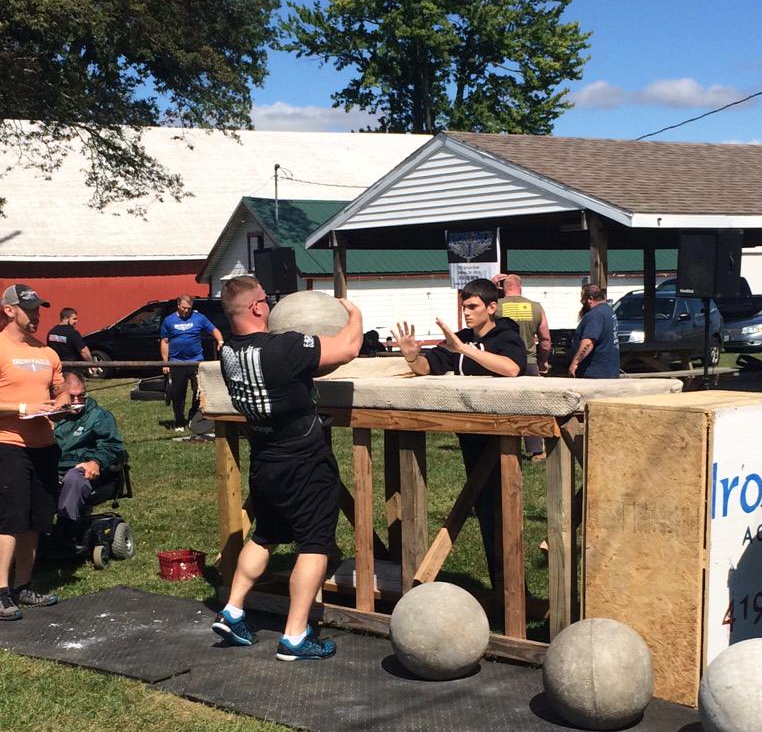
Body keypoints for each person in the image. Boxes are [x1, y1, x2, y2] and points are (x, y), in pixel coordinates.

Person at [212, 276, 363, 660]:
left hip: (265, 458)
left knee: (265, 536)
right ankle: (295, 636)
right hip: (303, 462)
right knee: (314, 543)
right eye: (266, 298)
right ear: (258, 308)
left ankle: (232, 610)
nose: (271, 304)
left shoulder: (228, 352)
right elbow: (346, 349)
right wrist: (353, 313)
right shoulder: (284, 347)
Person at [392, 278, 527, 585]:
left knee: (502, 509)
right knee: (486, 508)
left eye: (473, 306)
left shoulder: (505, 335)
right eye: (464, 306)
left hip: (502, 431)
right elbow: (430, 366)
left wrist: (464, 349)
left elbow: (511, 368)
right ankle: (502, 587)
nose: (466, 312)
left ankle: (513, 589)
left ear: (491, 308)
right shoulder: (461, 338)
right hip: (470, 430)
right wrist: (412, 356)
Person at [0, 283, 69, 621]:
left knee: (35, 520)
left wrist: (63, 404)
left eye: (39, 310)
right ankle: (0, 593)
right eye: (30, 310)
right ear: (9, 310)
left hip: (45, 446)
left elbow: (60, 393)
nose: (36, 316)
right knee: (9, 519)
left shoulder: (47, 353)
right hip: (8, 445)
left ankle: (23, 585)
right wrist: (22, 406)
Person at [53, 371, 125, 550]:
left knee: (74, 478)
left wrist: (96, 462)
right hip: (53, 469)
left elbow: (112, 446)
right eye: (72, 396)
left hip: (86, 470)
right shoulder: (52, 417)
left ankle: (65, 533)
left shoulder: (98, 416)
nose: (77, 401)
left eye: (81, 396)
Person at [493, 273, 552, 461]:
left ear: (503, 288)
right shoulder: (536, 307)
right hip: (530, 362)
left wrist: (493, 287)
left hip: (504, 363)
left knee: (503, 405)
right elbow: (545, 339)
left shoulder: (496, 306)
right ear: (521, 288)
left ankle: (504, 446)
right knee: (532, 406)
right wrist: (543, 361)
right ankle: (536, 450)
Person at [160, 294, 224, 431]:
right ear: (178, 305)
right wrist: (165, 363)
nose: (186, 310)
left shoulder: (199, 318)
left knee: (199, 392)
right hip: (176, 362)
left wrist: (220, 340)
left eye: (189, 308)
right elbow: (165, 342)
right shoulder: (169, 320)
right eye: (184, 308)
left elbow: (214, 330)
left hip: (196, 361)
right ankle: (179, 421)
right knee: (178, 394)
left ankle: (194, 416)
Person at [568, 283, 620, 379]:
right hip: (609, 371)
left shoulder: (595, 315)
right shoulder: (608, 311)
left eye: (583, 300)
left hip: (594, 373)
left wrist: (574, 364)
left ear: (590, 299)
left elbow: (588, 342)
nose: (582, 302)